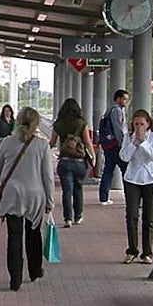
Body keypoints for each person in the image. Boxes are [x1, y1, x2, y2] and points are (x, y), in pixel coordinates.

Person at [0, 107, 54, 291]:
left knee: (14, 236)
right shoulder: (42, 145)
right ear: (36, 124)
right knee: (33, 234)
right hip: (35, 195)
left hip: (12, 195)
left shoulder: (7, 143)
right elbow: (47, 177)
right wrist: (50, 201)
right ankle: (35, 271)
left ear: (17, 121)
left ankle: (15, 279)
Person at [118, 108, 153, 264]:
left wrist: (143, 142)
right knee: (131, 215)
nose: (139, 127)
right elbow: (124, 156)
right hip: (132, 178)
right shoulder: (128, 137)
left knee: (149, 217)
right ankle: (132, 250)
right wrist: (134, 143)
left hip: (150, 178)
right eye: (136, 124)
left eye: (142, 124)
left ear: (148, 124)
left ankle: (147, 253)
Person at [49, 98, 92, 228]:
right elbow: (87, 142)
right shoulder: (81, 123)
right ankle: (78, 216)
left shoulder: (58, 124)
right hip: (79, 161)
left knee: (66, 191)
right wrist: (93, 157)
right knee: (78, 189)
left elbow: (51, 142)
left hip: (65, 161)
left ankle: (67, 218)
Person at [98, 89, 130, 206]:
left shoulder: (109, 110)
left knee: (108, 170)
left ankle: (103, 197)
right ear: (118, 98)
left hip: (108, 145)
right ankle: (130, 197)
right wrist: (124, 144)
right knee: (126, 170)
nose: (126, 101)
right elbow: (119, 129)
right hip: (116, 146)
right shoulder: (116, 110)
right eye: (124, 99)